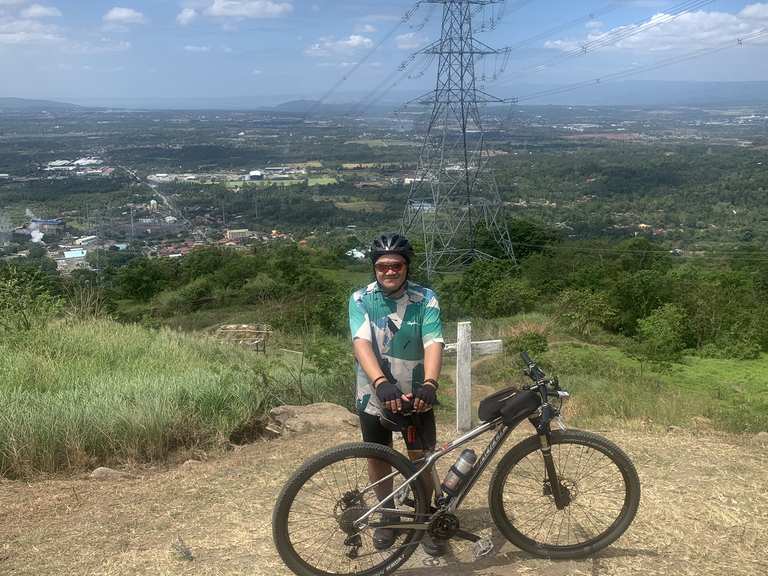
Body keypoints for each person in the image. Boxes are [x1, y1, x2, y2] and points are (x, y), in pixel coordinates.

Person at [348, 233, 446, 557]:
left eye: (396, 265)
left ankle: (425, 515)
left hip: (417, 392)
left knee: (422, 456)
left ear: (407, 266)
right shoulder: (361, 299)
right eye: (382, 266)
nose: (390, 271)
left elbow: (434, 341)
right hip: (374, 394)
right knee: (378, 456)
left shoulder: (425, 298)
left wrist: (430, 383)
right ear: (374, 268)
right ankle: (388, 514)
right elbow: (361, 342)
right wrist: (380, 382)